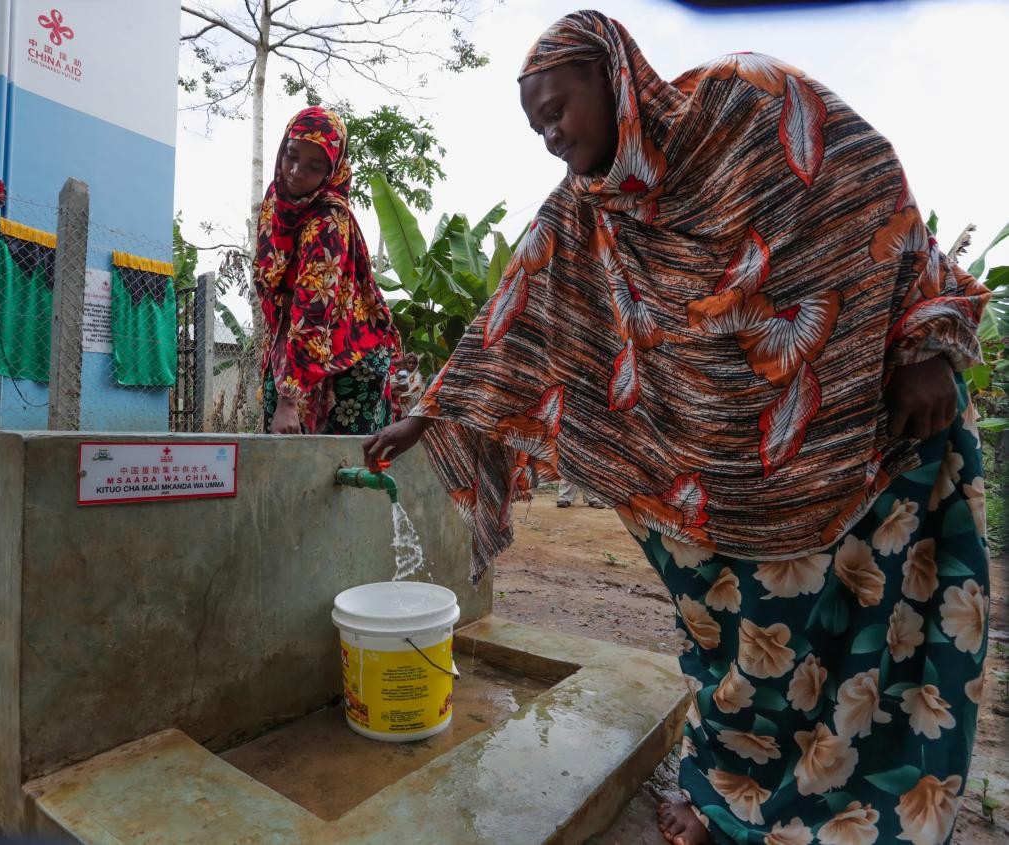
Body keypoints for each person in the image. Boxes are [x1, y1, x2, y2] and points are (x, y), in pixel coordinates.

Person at [364, 12, 990, 845]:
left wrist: (923, 340)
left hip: (846, 428)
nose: (551, 136)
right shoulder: (586, 209)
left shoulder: (746, 101)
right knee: (732, 635)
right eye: (536, 127)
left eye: (557, 110)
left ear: (612, 73)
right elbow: (512, 312)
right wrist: (427, 412)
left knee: (865, 632)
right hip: (702, 467)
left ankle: (854, 815)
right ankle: (729, 795)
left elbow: (868, 186)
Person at [254, 106, 401, 435]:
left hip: (350, 355)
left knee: (343, 460)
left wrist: (289, 400)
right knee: (283, 452)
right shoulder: (275, 199)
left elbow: (314, 306)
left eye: (314, 166)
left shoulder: (328, 217)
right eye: (291, 156)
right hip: (292, 342)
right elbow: (269, 278)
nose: (296, 172)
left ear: (331, 169)